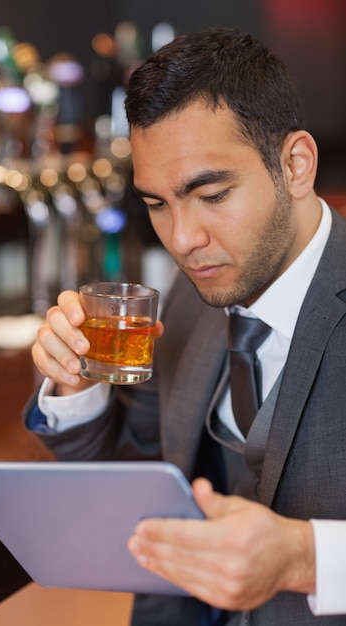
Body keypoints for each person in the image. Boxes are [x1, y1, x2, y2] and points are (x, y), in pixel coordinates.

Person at [25, 27, 346, 625]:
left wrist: (306, 558)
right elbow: (142, 482)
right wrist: (78, 390)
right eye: (157, 204)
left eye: (213, 194)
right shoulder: (191, 289)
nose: (182, 241)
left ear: (296, 165)